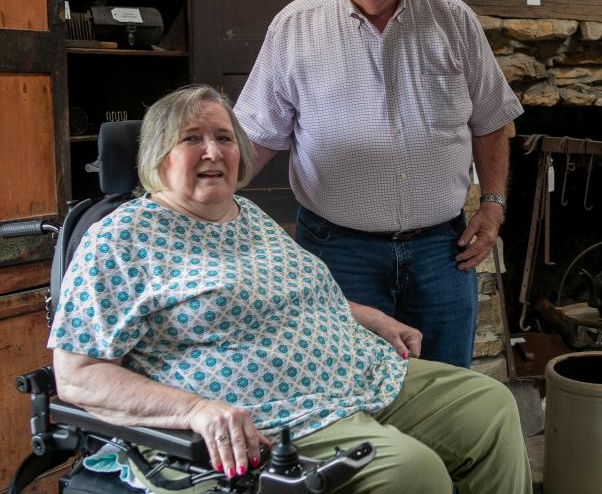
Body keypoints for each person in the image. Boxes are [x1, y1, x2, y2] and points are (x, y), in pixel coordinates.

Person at [49, 85, 532, 493]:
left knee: (488, 406)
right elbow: (77, 375)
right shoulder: (122, 238)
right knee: (414, 473)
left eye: (224, 137)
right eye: (191, 139)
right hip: (278, 412)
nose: (213, 151)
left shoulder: (247, 215)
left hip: (361, 371)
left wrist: (368, 316)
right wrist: (195, 410)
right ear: (157, 154)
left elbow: (288, 291)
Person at [233, 0, 523, 368]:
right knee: (348, 395)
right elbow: (254, 138)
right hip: (336, 255)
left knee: (446, 388)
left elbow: (492, 120)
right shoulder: (295, 26)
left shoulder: (453, 19)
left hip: (442, 252)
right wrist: (196, 194)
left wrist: (492, 207)